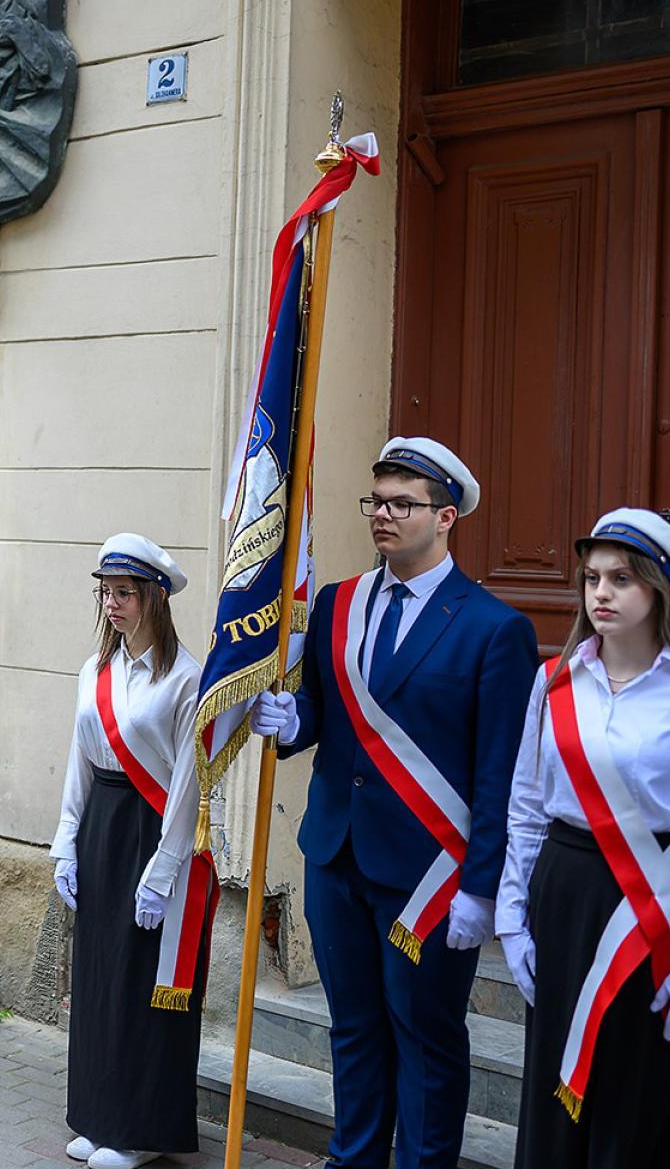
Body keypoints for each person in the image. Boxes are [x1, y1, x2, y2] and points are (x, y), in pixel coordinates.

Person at [251, 436, 537, 1169]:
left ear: (445, 517)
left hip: (429, 875)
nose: (382, 515)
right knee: (352, 1027)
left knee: (426, 1037)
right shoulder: (336, 603)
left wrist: (482, 888)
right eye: (375, 501)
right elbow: (322, 712)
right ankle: (353, 1158)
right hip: (335, 852)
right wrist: (290, 723)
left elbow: (498, 776)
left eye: (402, 504)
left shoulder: (494, 628)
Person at [495, 509, 670, 1168]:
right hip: (564, 898)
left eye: (621, 579)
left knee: (635, 1097)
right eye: (591, 578)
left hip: (656, 909)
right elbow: (526, 808)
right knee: (555, 1090)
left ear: (659, 590)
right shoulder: (553, 681)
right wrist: (511, 917)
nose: (600, 593)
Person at [51, 533, 213, 1169]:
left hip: (153, 830)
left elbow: (189, 784)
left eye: (125, 593)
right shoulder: (94, 670)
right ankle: (98, 1116)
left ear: (155, 598)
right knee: (99, 977)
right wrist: (66, 843)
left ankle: (141, 1131)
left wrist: (163, 870)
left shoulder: (186, 678)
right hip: (102, 824)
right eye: (106, 592)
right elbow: (79, 761)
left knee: (143, 983)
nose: (112, 604)